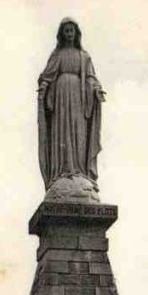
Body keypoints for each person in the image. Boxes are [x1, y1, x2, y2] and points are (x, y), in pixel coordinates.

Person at [37, 17, 106, 190]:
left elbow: (90, 77)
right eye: (66, 31)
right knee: (62, 132)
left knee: (78, 132)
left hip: (79, 98)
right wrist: (44, 85)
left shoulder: (84, 57)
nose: (69, 34)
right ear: (62, 34)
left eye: (71, 31)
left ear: (76, 34)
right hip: (61, 97)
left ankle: (79, 171)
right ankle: (62, 172)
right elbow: (48, 74)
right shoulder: (57, 55)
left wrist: (96, 89)